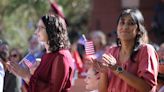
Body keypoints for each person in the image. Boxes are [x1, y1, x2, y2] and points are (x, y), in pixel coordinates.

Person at [93, 9, 158, 92]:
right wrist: (103, 72)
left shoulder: (146, 50)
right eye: (122, 23)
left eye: (131, 23)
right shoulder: (111, 52)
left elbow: (146, 87)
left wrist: (117, 69)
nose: (125, 27)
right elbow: (102, 90)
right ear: (117, 28)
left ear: (139, 30)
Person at [7, 14, 75, 92]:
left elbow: (53, 90)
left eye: (40, 28)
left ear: (51, 29)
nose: (36, 32)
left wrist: (26, 75)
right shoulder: (46, 56)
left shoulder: (61, 57)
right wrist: (24, 73)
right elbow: (33, 86)